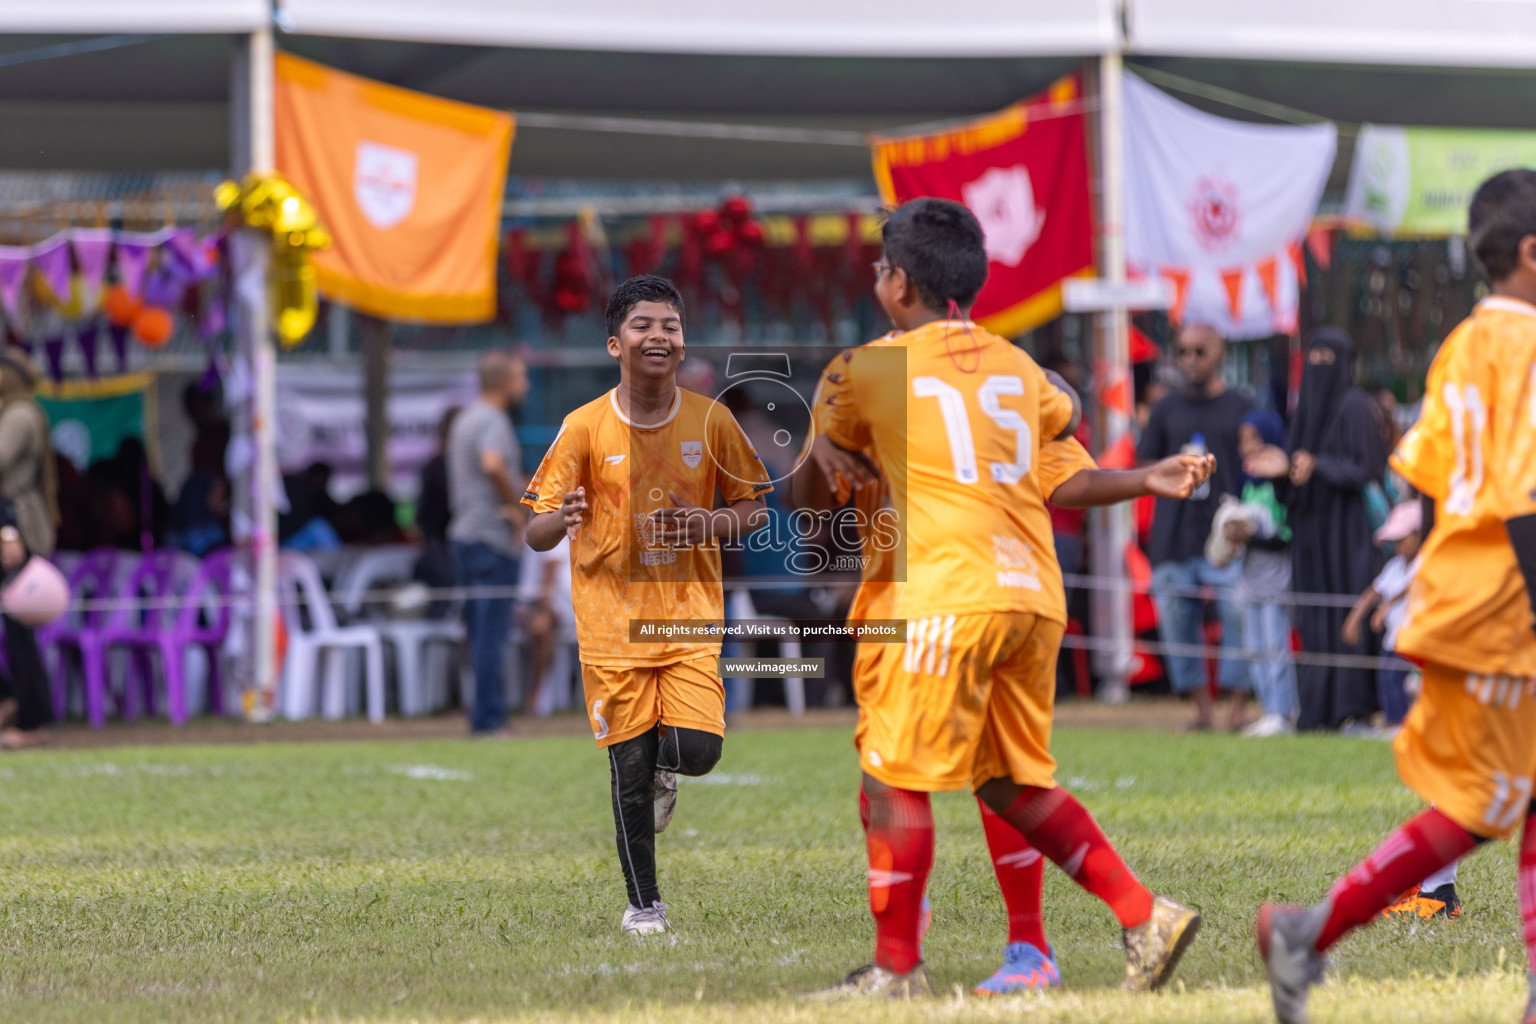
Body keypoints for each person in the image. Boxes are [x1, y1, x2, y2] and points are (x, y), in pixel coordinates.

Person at [797, 199, 1205, 999]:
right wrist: (1142, 478)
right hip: (1029, 598)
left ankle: (896, 969)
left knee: (891, 779)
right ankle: (1143, 915)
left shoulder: (862, 371)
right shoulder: (1021, 371)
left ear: (900, 283)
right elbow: (1062, 454)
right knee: (1008, 783)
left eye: (882, 269)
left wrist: (809, 446)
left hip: (937, 595)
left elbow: (817, 505)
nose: (878, 279)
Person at [1257, 168, 1536, 1024]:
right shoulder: (1528, 349)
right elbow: (1523, 501)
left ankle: (1316, 933)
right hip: (1514, 604)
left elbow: (1433, 484)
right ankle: (1309, 931)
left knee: (1508, 798)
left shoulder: (1460, 348)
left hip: (1468, 598)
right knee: (1482, 806)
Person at [522, 275, 772, 936]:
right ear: (614, 343)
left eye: (670, 325)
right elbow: (536, 529)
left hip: (688, 617)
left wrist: (710, 526)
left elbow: (753, 510)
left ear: (682, 340)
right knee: (627, 775)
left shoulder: (711, 421)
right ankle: (644, 906)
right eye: (643, 325)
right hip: (610, 629)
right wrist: (564, 516)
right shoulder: (582, 427)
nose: (659, 336)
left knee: (698, 749)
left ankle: (670, 765)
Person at [1136, 323, 1254, 731]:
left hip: (1225, 537)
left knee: (1239, 614)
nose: (1190, 360)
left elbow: (1255, 470)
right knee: (1176, 621)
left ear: (1219, 353)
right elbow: (1142, 466)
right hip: (1173, 535)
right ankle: (1203, 711)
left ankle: (1238, 709)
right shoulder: (1166, 409)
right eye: (1183, 352)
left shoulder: (1241, 406)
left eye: (1199, 352)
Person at [1284, 328, 1388, 731]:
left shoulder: (1355, 406)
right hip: (1312, 533)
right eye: (1314, 357)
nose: (1320, 367)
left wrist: (1319, 466)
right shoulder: (1304, 410)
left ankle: (1353, 709)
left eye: (1330, 359)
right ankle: (1317, 710)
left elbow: (1368, 467)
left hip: (1349, 536)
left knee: (1347, 615)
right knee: (1314, 620)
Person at [448, 351, 530, 737]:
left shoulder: (467, 417)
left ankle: (484, 715)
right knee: (491, 634)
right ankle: (488, 719)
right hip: (488, 539)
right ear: (504, 383)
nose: (525, 385)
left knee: (479, 631)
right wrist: (514, 507)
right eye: (520, 377)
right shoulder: (494, 420)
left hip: (466, 534)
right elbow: (493, 464)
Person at [0, 349, 57, 749]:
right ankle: (9, 700)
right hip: (7, 524)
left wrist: (6, 529)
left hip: (16, 530)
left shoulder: (20, 415)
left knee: (21, 628)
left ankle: (34, 721)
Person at [1228, 410, 1297, 737]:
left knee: (1274, 644)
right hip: (1250, 574)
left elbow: (1284, 535)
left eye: (1253, 439)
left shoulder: (1279, 485)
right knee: (1255, 646)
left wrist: (1250, 536)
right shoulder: (1247, 484)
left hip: (1275, 576)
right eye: (1243, 440)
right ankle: (1267, 708)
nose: (1247, 447)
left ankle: (1281, 712)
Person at [1341, 500, 1423, 730]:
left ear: (1418, 535)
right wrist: (1354, 619)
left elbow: (1413, 585)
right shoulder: (1394, 566)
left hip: (1413, 638)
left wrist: (1386, 606)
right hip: (1393, 639)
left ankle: (1406, 724)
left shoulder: (1425, 562)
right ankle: (1393, 722)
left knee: (1402, 680)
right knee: (1386, 678)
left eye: (1402, 540)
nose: (1398, 547)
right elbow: (1373, 592)